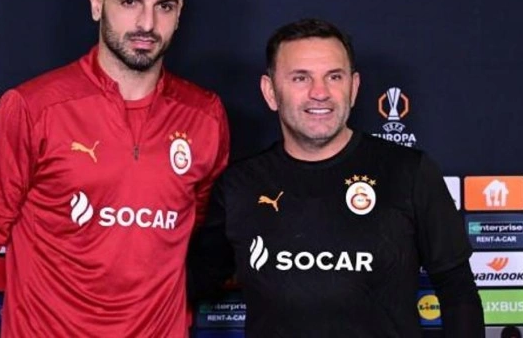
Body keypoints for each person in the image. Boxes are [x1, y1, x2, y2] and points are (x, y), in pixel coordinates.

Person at [0, 0, 230, 337]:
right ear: (98, 3)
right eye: (129, 2)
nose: (147, 24)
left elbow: (196, 225)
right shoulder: (32, 107)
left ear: (179, 12)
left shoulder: (205, 114)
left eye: (164, 6)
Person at [187, 18, 484, 337]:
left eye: (334, 77)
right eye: (300, 78)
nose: (320, 93)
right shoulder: (239, 186)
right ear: (270, 92)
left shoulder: (409, 172)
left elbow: (458, 292)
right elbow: (187, 282)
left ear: (353, 88)